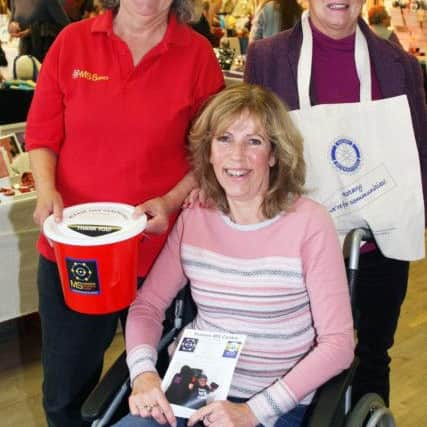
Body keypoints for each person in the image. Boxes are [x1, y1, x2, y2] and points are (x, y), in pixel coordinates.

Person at [25, 0, 224, 425]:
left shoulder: (197, 55)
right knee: (66, 395)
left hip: (159, 253)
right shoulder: (72, 43)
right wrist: (46, 192)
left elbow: (211, 149)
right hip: (76, 253)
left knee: (172, 388)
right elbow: (42, 133)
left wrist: (171, 201)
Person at [111, 84, 354, 427]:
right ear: (208, 152)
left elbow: (339, 344)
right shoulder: (195, 216)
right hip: (193, 392)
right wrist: (144, 374)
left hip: (276, 405)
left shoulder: (309, 223)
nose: (236, 156)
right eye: (224, 139)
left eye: (254, 141)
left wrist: (252, 411)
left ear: (273, 154)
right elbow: (147, 306)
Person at [244, 0, 427, 408]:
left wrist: (413, 214)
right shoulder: (268, 58)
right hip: (296, 252)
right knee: (302, 360)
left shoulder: (399, 65)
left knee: (373, 359)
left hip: (380, 249)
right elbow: (253, 145)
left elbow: (418, 155)